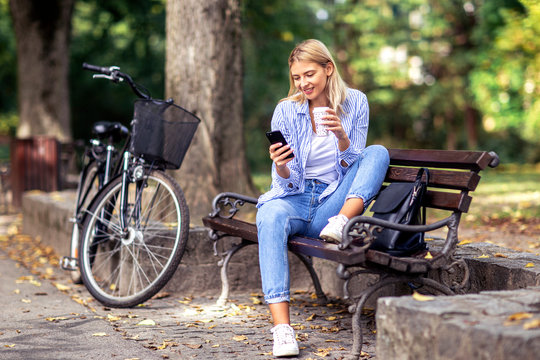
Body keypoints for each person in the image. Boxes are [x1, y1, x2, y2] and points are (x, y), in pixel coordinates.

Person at [256, 39, 390, 357]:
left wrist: (342, 137)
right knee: (269, 216)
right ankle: (282, 330)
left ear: (328, 69)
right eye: (297, 77)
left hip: (333, 206)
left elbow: (356, 164)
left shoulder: (356, 102)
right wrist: (281, 166)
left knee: (378, 152)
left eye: (309, 74)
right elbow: (285, 184)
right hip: (298, 197)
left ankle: (345, 220)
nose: (303, 83)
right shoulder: (286, 110)